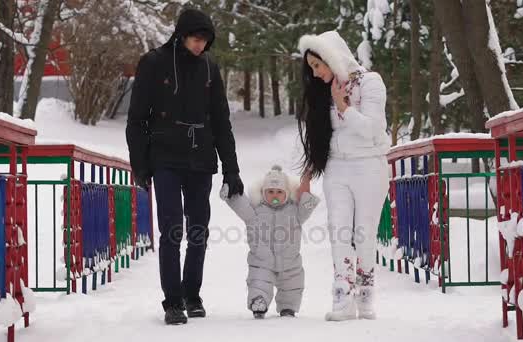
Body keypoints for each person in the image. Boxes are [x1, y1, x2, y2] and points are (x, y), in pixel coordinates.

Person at [126, 8, 244, 325]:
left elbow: (222, 122)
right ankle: (173, 300)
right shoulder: (154, 63)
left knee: (198, 231)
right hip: (164, 158)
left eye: (205, 41)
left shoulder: (209, 68)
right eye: (195, 38)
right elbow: (136, 120)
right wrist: (140, 164)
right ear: (181, 34)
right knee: (171, 229)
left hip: (200, 159)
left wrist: (231, 169)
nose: (199, 46)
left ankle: (192, 294)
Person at [297, 31, 390, 321]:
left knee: (363, 234)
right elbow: (321, 138)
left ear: (333, 57)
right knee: (339, 232)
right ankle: (341, 298)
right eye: (311, 67)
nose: (316, 72)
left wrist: (343, 106)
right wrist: (307, 174)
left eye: (318, 65)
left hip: (369, 166)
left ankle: (365, 298)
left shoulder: (371, 82)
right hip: (337, 168)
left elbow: (373, 129)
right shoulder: (324, 90)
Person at [220, 165, 319, 319]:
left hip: (290, 261)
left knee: (292, 285)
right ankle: (259, 302)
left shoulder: (295, 212)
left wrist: (305, 185)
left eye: (279, 192)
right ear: (263, 192)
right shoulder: (255, 211)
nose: (275, 195)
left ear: (287, 193)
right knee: (259, 281)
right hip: (262, 260)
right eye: (270, 191)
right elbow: (241, 205)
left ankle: (288, 306)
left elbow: (307, 206)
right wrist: (230, 195)